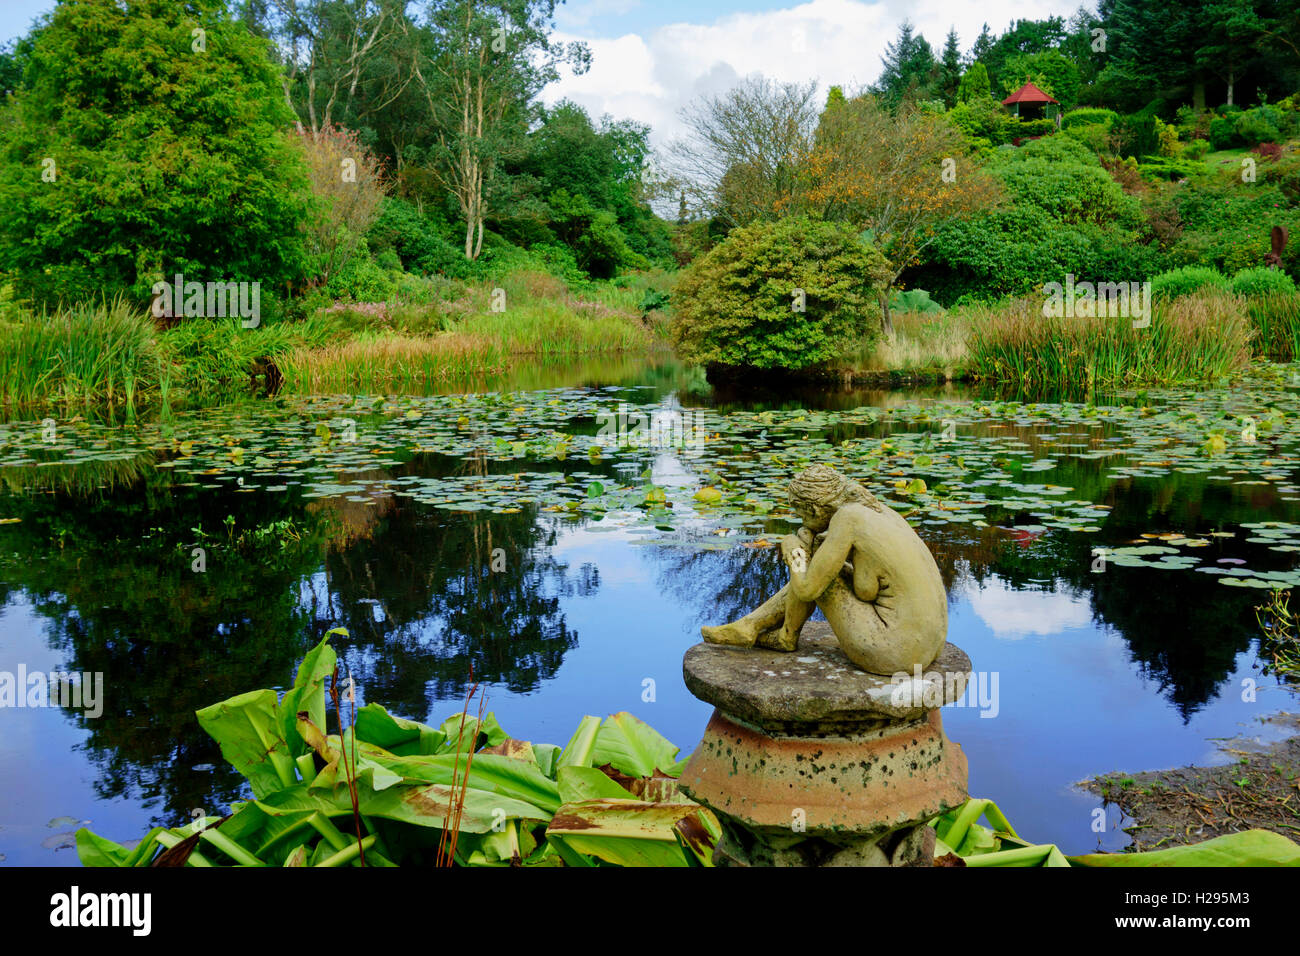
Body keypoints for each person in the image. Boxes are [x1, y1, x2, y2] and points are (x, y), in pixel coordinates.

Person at [701, 464, 948, 674]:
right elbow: (869, 587)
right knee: (820, 563)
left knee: (812, 571)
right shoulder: (878, 510)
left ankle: (782, 635)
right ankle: (751, 626)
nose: (802, 522)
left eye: (801, 515)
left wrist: (793, 550)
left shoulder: (847, 519)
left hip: (897, 652)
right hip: (930, 643)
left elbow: (807, 589)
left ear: (815, 510)